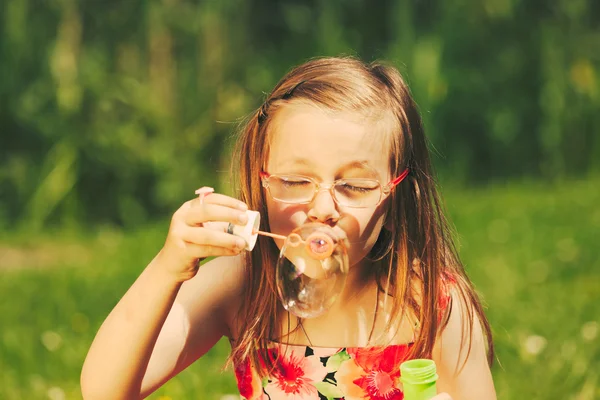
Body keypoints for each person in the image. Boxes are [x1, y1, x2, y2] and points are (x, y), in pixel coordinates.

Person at [81, 56, 496, 400]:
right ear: (261, 178)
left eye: (354, 185)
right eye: (296, 182)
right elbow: (103, 391)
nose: (322, 208)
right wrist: (169, 266)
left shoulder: (433, 306)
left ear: (397, 190)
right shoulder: (242, 284)